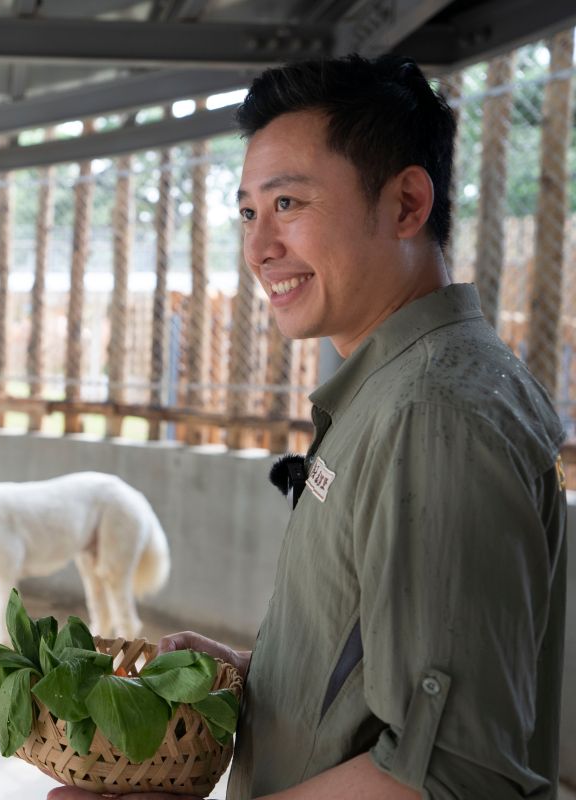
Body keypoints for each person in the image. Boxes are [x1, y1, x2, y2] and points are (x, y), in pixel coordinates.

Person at [49, 55, 566, 799]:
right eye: (250, 212)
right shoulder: (392, 392)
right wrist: (256, 679)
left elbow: (456, 773)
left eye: (289, 203)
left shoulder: (433, 414)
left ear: (407, 204)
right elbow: (387, 678)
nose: (260, 249)